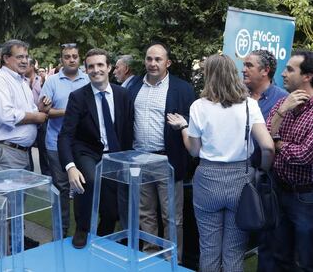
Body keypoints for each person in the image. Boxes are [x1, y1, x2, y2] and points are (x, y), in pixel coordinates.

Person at [167, 53, 274, 272]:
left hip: (207, 179)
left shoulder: (199, 106)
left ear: (209, 76)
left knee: (209, 249)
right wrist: (263, 170)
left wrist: (183, 128)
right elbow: (268, 146)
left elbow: (194, 151)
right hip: (240, 181)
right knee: (234, 252)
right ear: (232, 74)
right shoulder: (248, 105)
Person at [58, 48, 132, 249]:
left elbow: (127, 130)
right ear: (86, 69)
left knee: (112, 210)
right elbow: (65, 135)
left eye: (100, 65)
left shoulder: (123, 95)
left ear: (109, 67)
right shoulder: (78, 97)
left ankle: (104, 231)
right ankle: (82, 228)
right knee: (89, 179)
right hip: (87, 152)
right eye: (91, 66)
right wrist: (70, 166)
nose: (96, 70)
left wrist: (129, 159)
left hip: (115, 154)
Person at [128, 42, 195, 262]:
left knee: (172, 217)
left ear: (168, 63)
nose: (153, 63)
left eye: (158, 59)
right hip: (138, 159)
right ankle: (149, 256)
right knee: (145, 214)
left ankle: (172, 261)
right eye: (149, 59)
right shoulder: (134, 85)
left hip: (167, 160)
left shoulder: (182, 88)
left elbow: (193, 123)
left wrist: (183, 123)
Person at [266, 50, 313, 271]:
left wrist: (276, 142)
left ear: (307, 76)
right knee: (280, 254)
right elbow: (264, 137)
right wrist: (281, 113)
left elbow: (303, 155)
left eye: (290, 69)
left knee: (304, 260)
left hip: (305, 197)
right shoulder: (283, 103)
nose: (283, 74)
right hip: (279, 190)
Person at [242, 49, 288, 272]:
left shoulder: (282, 100)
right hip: (237, 175)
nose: (243, 69)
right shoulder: (237, 96)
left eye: (249, 65)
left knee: (267, 240)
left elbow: (279, 142)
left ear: (265, 71)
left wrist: (263, 169)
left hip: (266, 180)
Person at [39, 43, 89, 237]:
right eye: (67, 56)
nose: (71, 59)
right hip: (55, 143)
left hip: (82, 144)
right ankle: (60, 232)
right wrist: (70, 112)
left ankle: (82, 231)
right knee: (61, 188)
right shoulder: (52, 81)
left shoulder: (87, 79)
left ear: (79, 58)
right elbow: (44, 111)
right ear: (62, 60)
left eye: (74, 56)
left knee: (82, 187)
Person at [0, 39, 50, 173]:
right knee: (7, 194)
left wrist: (41, 110)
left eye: (26, 57)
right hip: (4, 153)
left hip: (19, 153)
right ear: (6, 58)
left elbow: (33, 112)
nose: (24, 61)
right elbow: (5, 115)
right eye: (19, 57)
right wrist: (36, 117)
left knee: (20, 194)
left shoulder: (21, 82)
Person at [25, 58, 51, 176]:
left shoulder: (42, 80)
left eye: (26, 65)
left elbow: (48, 97)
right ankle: (30, 175)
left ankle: (46, 175)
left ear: (31, 66)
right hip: (28, 119)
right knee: (27, 148)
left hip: (41, 119)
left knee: (43, 149)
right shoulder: (21, 81)